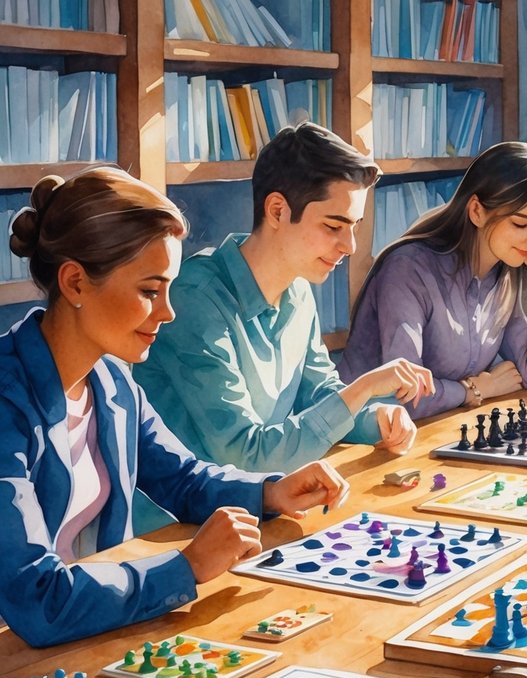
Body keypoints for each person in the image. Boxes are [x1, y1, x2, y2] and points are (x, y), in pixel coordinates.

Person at [0, 169, 348, 648]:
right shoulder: (7, 402)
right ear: (76, 283)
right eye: (149, 291)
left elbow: (183, 478)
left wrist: (270, 493)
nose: (168, 312)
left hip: (88, 633)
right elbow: (39, 598)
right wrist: (186, 567)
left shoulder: (111, 381)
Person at [134, 122, 433, 476]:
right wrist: (364, 389)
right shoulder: (195, 300)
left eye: (354, 226)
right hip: (186, 508)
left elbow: (319, 397)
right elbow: (245, 455)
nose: (350, 246)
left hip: (262, 496)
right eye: (333, 227)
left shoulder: (298, 291)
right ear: (277, 211)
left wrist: (377, 418)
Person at [337, 141, 527, 418]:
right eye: (520, 223)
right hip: (363, 432)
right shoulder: (409, 268)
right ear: (477, 211)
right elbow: (407, 396)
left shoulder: (505, 275)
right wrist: (474, 389)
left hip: (436, 429)